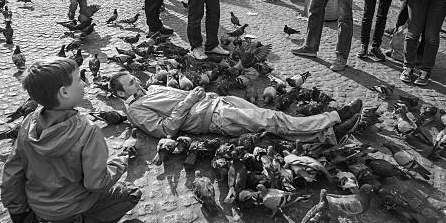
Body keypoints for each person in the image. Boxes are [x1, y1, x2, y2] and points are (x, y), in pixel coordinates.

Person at [0, 57, 141, 223]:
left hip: (39, 207)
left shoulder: (29, 122)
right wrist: (122, 160)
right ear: (64, 92)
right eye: (78, 79)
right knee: (132, 193)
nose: (84, 83)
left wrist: (17, 210)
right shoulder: (88, 131)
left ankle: (59, 221)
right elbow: (96, 183)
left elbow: (12, 170)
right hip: (73, 206)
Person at [109, 71, 364, 145]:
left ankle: (327, 135)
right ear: (121, 93)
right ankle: (332, 117)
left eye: (134, 77)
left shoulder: (149, 90)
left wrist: (201, 93)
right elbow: (165, 131)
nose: (137, 81)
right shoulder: (136, 110)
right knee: (272, 118)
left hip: (218, 102)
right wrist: (189, 100)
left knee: (270, 122)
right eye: (131, 83)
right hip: (215, 117)